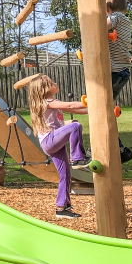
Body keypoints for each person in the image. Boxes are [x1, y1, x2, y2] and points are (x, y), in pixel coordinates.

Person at [27, 74, 89, 219]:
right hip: (50, 140)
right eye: (51, 83)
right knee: (75, 126)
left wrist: (95, 109)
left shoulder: (52, 102)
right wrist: (89, 101)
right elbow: (70, 105)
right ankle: (78, 158)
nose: (55, 83)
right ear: (44, 90)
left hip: (52, 143)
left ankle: (62, 208)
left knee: (65, 175)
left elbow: (74, 110)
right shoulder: (46, 102)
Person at [107, 0, 132, 164]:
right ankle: (119, 148)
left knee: (100, 110)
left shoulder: (115, 17)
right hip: (123, 71)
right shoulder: (126, 21)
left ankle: (108, 146)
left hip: (114, 71)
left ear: (108, 8)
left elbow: (100, 27)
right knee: (107, 111)